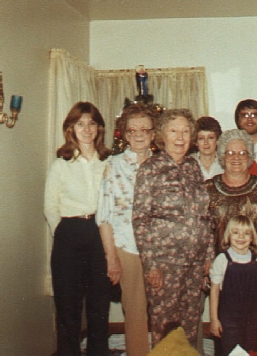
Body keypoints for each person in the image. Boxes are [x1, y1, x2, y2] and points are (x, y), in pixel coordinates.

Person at [132, 108, 214, 348]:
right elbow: (140, 220)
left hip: (194, 263)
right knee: (165, 328)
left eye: (186, 131)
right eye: (174, 131)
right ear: (162, 135)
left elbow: (205, 216)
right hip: (165, 265)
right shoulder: (149, 169)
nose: (180, 137)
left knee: (189, 327)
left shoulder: (193, 167)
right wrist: (151, 266)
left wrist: (208, 255)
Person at [44, 101, 112, 355]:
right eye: (80, 124)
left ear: (99, 128)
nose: (86, 129)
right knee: (68, 309)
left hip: (100, 235)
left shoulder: (108, 162)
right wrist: (64, 233)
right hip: (69, 236)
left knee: (99, 306)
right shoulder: (61, 164)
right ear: (71, 128)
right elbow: (50, 207)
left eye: (91, 123)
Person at [95, 103, 157, 356]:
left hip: (161, 251)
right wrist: (112, 258)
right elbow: (104, 216)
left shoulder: (164, 165)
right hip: (127, 248)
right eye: (133, 130)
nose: (139, 134)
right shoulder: (113, 166)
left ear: (154, 133)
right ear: (125, 134)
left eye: (145, 129)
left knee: (164, 311)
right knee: (135, 314)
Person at [206, 129, 257, 254]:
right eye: (230, 153)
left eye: (242, 153)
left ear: (249, 156)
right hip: (219, 267)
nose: (236, 158)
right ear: (222, 156)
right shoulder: (208, 190)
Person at [209, 215, 257, 355]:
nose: (241, 237)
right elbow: (214, 291)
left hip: (253, 320)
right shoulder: (222, 259)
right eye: (236, 232)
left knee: (250, 351)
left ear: (252, 237)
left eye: (246, 233)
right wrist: (214, 319)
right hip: (228, 320)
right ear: (228, 236)